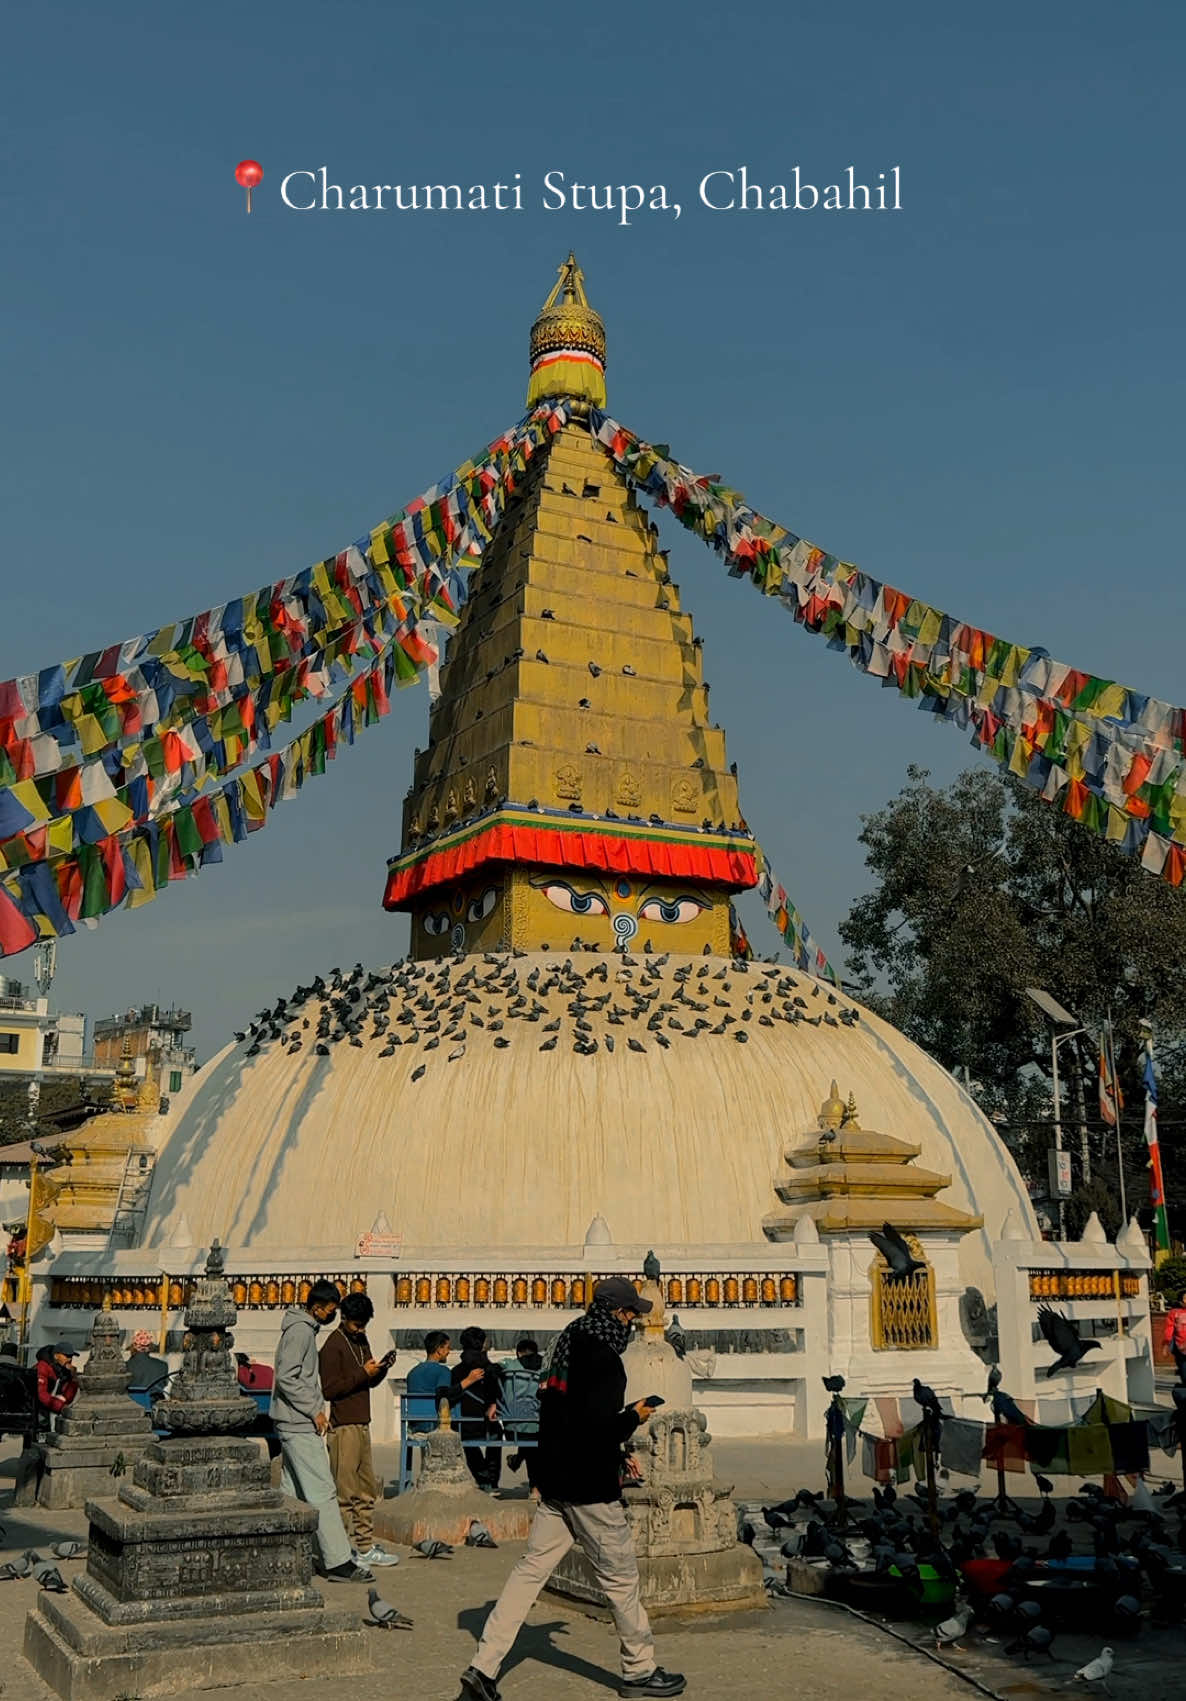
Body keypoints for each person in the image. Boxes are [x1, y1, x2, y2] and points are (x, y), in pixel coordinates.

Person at [457, 1279, 686, 1701]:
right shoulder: (604, 1359)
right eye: (631, 1314)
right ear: (617, 1314)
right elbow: (597, 1429)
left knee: (529, 1572)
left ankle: (483, 1667)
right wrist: (632, 1416)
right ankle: (639, 1670)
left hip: (557, 1481)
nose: (634, 1321)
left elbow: (562, 1415)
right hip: (590, 1489)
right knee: (620, 1581)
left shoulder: (568, 1340)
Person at [272, 1280, 373, 1583]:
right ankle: (337, 1561)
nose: (332, 1315)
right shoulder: (301, 1332)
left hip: (291, 1420)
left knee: (294, 1493)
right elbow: (288, 1378)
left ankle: (288, 1552)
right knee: (323, 1490)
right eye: (330, 1310)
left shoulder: (303, 1330)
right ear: (318, 1307)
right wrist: (314, 1410)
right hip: (299, 1422)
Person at [318, 1291, 398, 1569]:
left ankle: (364, 1547)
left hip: (363, 1423)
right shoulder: (332, 1346)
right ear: (344, 1318)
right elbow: (330, 1389)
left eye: (364, 1324)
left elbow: (368, 1380)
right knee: (344, 1493)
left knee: (365, 1491)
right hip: (343, 1427)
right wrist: (363, 1373)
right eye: (356, 1324)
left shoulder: (360, 1339)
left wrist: (382, 1369)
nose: (361, 1329)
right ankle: (338, 1552)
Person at [452, 1325, 503, 1492]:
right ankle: (492, 1480)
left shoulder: (456, 1371)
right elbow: (497, 1394)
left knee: (467, 1441)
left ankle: (482, 1477)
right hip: (487, 1423)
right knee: (496, 1434)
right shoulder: (491, 1369)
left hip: (463, 1425)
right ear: (481, 1345)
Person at [498, 1337, 543, 1486]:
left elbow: (492, 1369)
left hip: (512, 1427)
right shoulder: (545, 1367)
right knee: (532, 1439)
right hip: (538, 1426)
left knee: (527, 1438)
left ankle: (517, 1460)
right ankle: (534, 1487)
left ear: (518, 1353)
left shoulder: (510, 1365)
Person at [35, 1343, 79, 1423]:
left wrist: (74, 1379)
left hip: (52, 1409)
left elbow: (68, 1398)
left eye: (71, 1356)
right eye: (66, 1356)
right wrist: (60, 1406)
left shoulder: (64, 1370)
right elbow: (40, 1394)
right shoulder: (43, 1366)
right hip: (40, 1410)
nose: (69, 1359)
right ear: (56, 1356)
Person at [125, 1329, 169, 1397]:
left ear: (133, 1346)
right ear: (150, 1346)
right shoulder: (163, 1366)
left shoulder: (125, 1366)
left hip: (132, 1404)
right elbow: (164, 1385)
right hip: (154, 1404)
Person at [1164, 1290, 1186, 1382]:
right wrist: (1166, 1344)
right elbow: (1169, 1329)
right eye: (1185, 1298)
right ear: (1181, 1300)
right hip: (1180, 1347)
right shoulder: (1174, 1312)